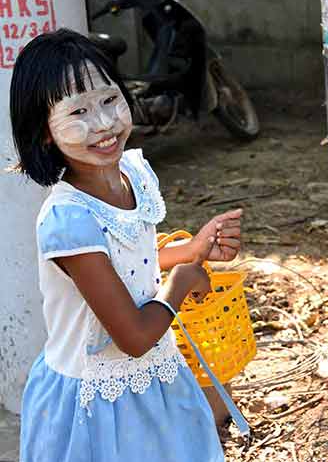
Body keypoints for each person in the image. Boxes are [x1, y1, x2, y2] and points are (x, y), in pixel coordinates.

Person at [11, 28, 243, 462]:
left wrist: (192, 249)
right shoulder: (69, 219)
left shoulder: (131, 174)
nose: (103, 124)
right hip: (94, 405)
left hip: (152, 382)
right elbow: (134, 337)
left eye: (109, 100)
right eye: (77, 111)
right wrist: (181, 281)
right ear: (43, 132)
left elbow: (132, 262)